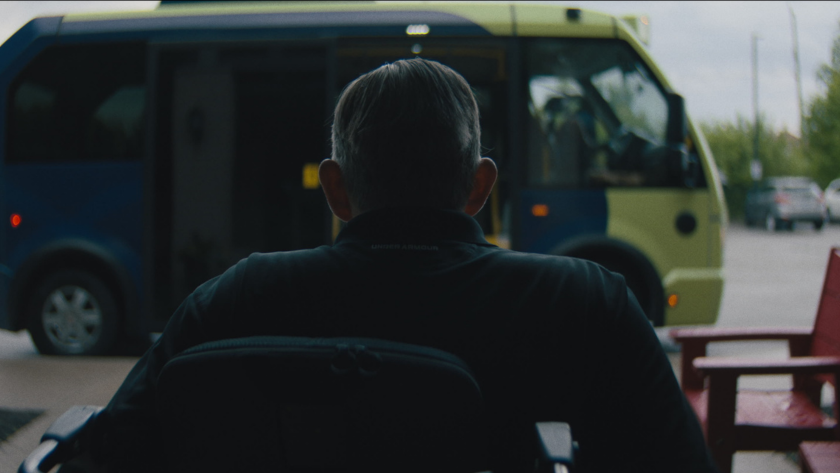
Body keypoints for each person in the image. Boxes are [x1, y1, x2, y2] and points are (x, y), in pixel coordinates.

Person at [96, 57, 716, 472]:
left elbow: (110, 450)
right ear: (480, 186)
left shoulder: (235, 298)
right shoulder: (586, 302)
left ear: (336, 191)